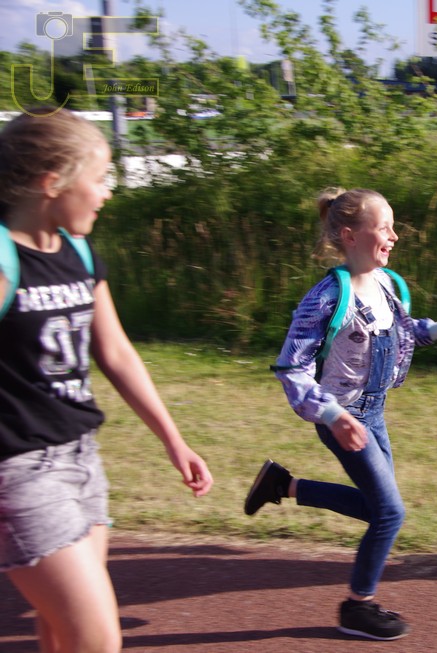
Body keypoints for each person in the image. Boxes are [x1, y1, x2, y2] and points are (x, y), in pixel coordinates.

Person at [0, 108, 214, 653]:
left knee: (60, 633)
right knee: (96, 639)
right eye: (98, 179)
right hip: (20, 474)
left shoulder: (78, 252)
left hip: (82, 460)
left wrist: (173, 440)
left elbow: (116, 353)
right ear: (52, 182)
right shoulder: (2, 259)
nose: (107, 193)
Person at [244, 187, 437, 641]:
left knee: (378, 508)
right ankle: (357, 607)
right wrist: (332, 415)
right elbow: (292, 368)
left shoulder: (389, 284)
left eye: (393, 227)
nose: (394, 236)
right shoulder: (327, 297)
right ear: (350, 236)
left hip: (373, 413)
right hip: (343, 420)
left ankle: (283, 485)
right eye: (384, 227)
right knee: (390, 513)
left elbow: (404, 331)